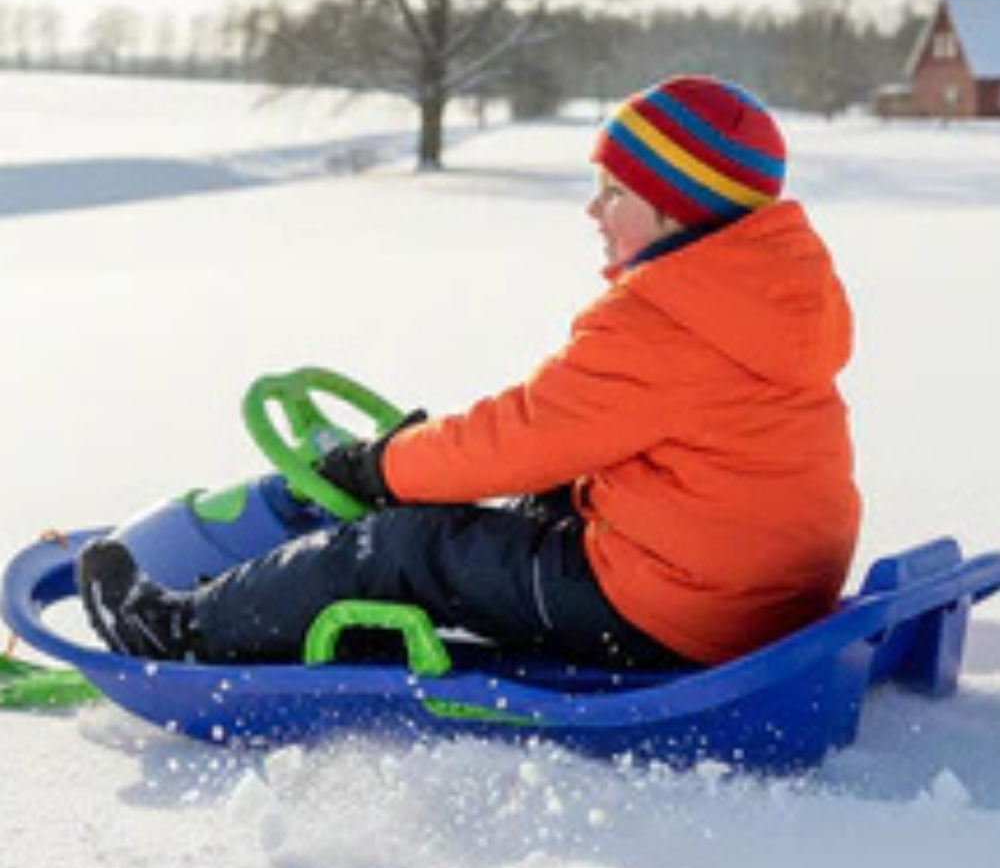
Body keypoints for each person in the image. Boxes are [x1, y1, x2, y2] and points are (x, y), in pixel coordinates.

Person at [78, 75, 861, 670]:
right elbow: (573, 434)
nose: (593, 213)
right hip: (759, 591)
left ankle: (181, 631)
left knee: (401, 546)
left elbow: (518, 437)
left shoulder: (663, 321)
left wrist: (379, 465)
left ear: (678, 207)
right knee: (539, 497)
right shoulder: (759, 299)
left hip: (680, 613)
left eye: (614, 193)